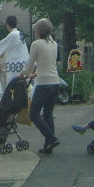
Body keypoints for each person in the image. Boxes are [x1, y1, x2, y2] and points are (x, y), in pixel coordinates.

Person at [19, 18, 62, 154]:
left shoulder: (36, 44)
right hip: (55, 82)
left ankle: (51, 138)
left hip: (44, 84)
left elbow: (29, 65)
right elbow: (47, 64)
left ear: (38, 31)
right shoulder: (54, 43)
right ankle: (48, 146)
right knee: (48, 113)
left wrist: (22, 75)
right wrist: (34, 74)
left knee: (34, 113)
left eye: (35, 30)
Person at [0, 15, 29, 89]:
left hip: (15, 66)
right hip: (23, 64)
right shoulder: (19, 33)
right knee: (23, 88)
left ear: (7, 24)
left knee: (13, 88)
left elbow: (1, 45)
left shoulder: (13, 35)